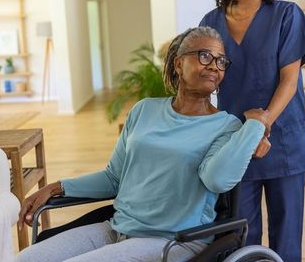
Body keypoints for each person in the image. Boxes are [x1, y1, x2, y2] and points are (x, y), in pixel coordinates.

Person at [15, 26, 270, 262]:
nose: (214, 66)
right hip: (117, 228)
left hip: (173, 241)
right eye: (204, 56)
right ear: (179, 64)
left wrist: (256, 124)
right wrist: (56, 187)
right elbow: (114, 178)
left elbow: (218, 179)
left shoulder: (226, 126)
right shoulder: (144, 110)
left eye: (221, 61)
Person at [199, 0, 305, 261]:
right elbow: (203, 84)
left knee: (286, 241)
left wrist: (261, 123)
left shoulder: (287, 15)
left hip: (284, 143)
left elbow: (289, 81)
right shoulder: (211, 24)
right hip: (236, 148)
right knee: (241, 238)